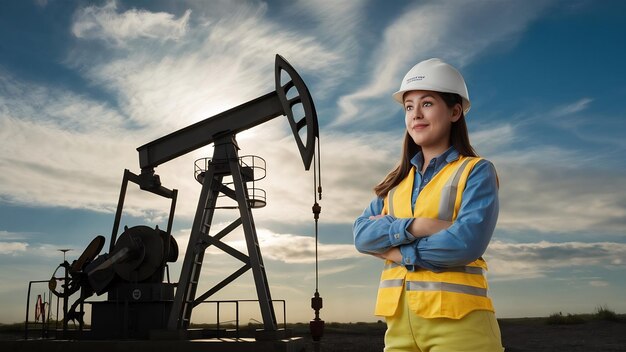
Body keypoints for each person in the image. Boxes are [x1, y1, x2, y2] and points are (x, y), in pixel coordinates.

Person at [353, 58, 504, 351]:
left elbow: (465, 244)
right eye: (409, 107)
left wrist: (394, 250)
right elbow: (361, 235)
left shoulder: (475, 171)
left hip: (461, 328)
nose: (416, 115)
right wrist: (418, 226)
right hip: (399, 331)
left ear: (455, 111)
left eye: (427, 104)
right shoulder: (394, 183)